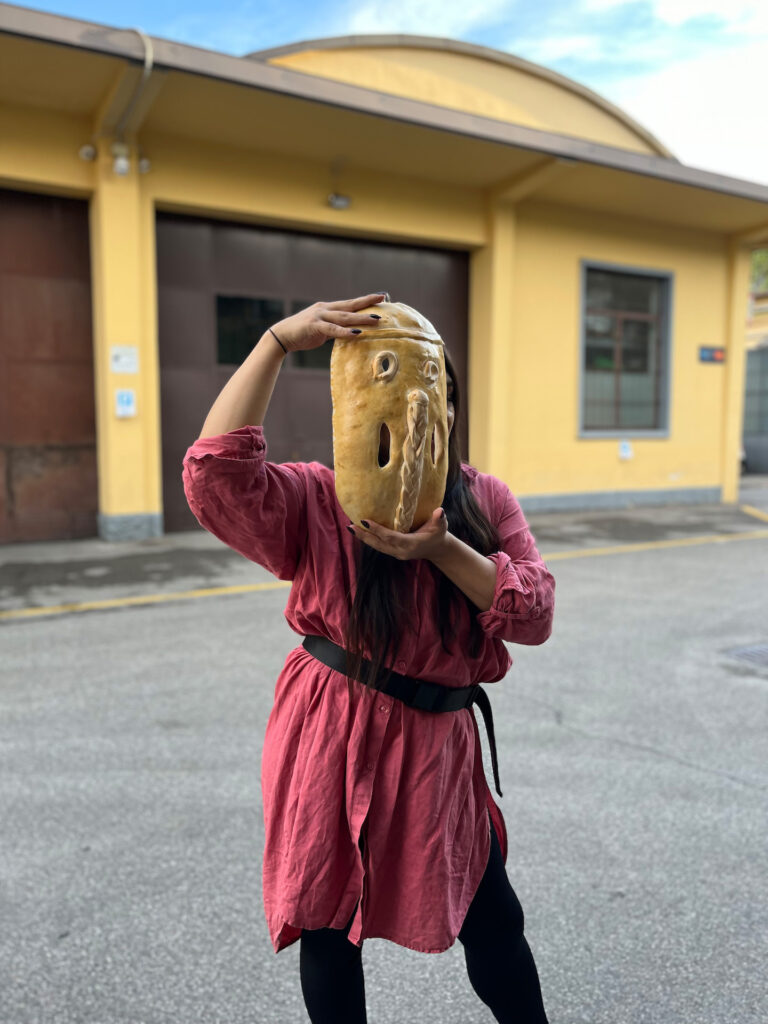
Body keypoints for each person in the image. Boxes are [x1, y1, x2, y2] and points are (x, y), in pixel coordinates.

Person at [182, 293, 556, 1024]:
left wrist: (444, 548)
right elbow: (214, 473)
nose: (417, 405)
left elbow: (535, 613)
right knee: (328, 927)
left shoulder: (485, 500)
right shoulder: (322, 497)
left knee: (494, 923)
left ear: (450, 404)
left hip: (437, 747)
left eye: (435, 389)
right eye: (387, 380)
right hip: (330, 731)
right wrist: (275, 342)